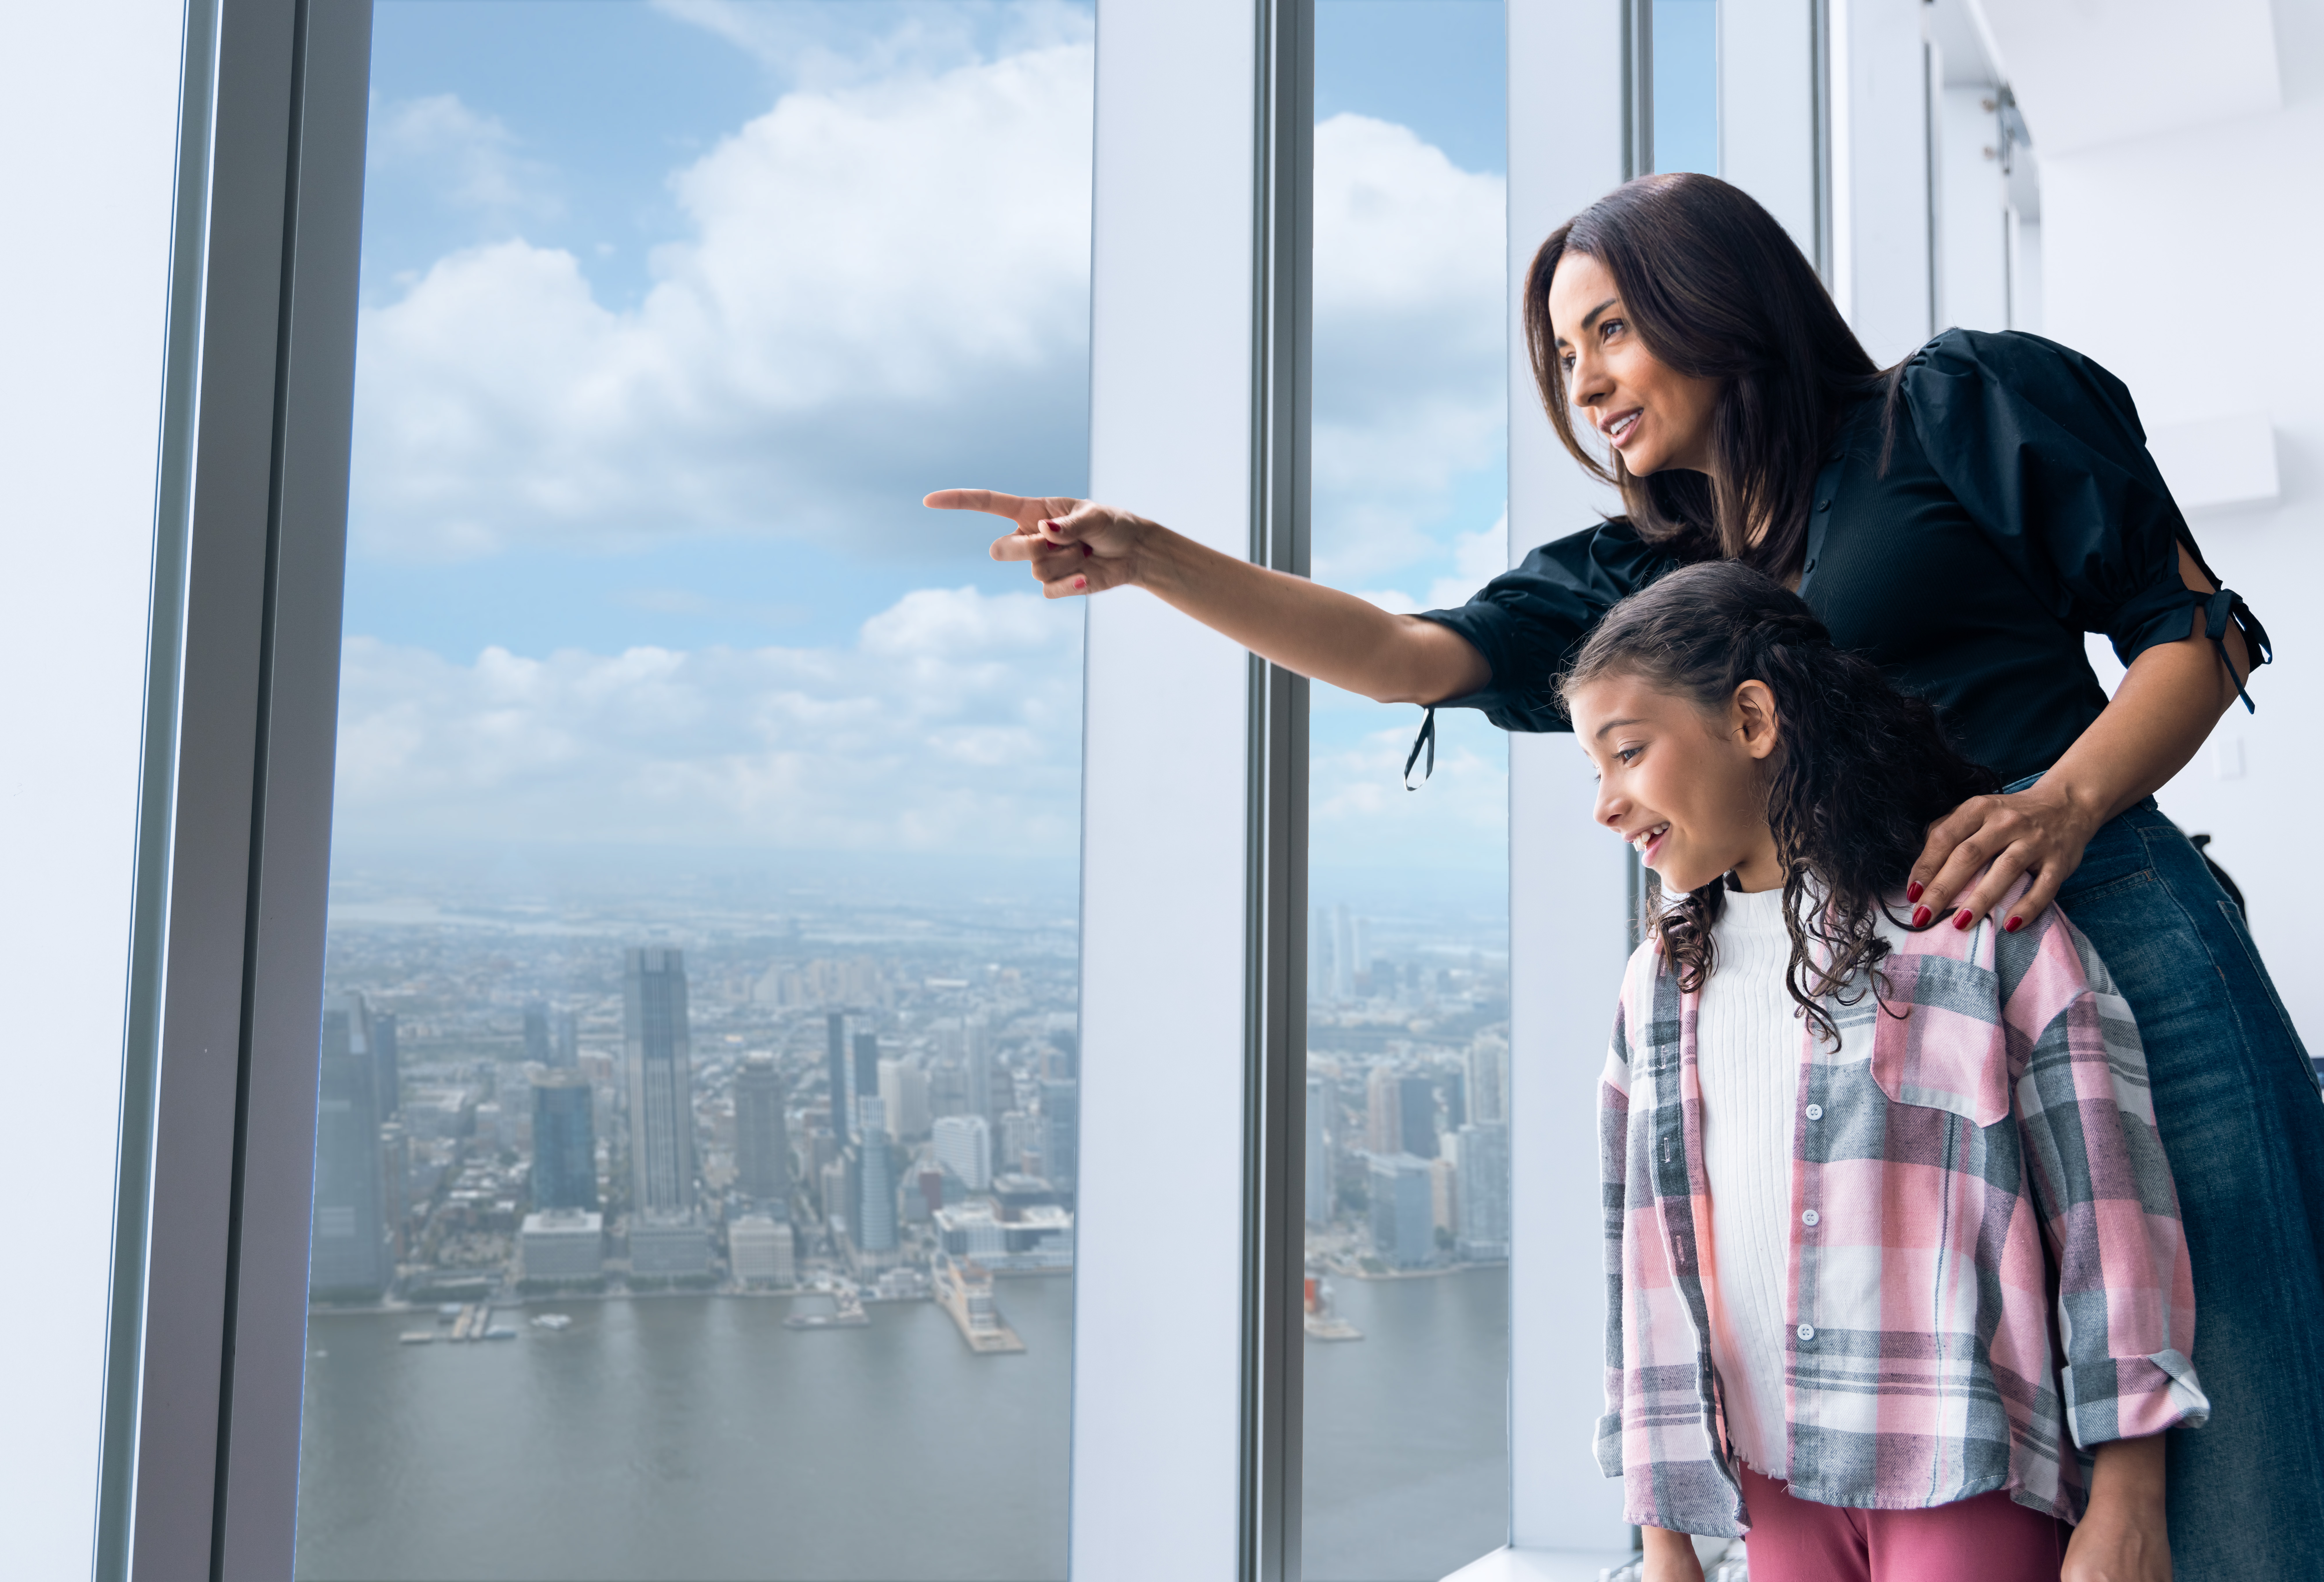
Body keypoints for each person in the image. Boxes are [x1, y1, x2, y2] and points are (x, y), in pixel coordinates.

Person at [929, 172, 2324, 1577]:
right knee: (2025, 1473)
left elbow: (2195, 629)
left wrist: (2062, 801)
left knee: (2244, 1446)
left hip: (2108, 935)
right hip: (1882, 1027)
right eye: (1558, 357)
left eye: (1605, 331)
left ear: (1715, 298)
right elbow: (1406, 656)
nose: (1583, 380)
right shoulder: (1652, 575)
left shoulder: (1953, 406)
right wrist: (1149, 557)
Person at [1568, 559, 2205, 1582]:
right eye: (1592, 772)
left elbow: (2110, 1216)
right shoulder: (1654, 984)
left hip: (1963, 1467)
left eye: (1627, 753)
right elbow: (1638, 1255)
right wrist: (1664, 1537)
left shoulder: (1970, 929)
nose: (1605, 804)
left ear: (1754, 719)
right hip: (1765, 1489)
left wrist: (2131, 1500)